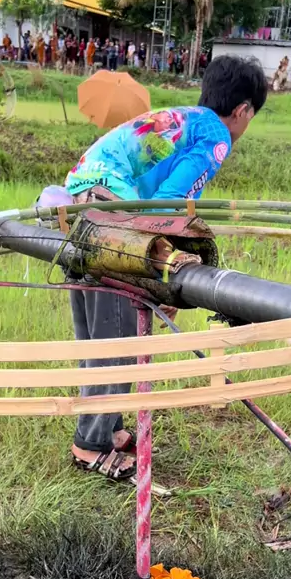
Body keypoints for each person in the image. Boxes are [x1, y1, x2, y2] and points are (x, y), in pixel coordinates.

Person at [64, 55, 267, 480]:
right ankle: (90, 445)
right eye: (253, 115)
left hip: (83, 192)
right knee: (118, 332)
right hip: (112, 206)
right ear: (243, 109)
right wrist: (165, 267)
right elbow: (168, 203)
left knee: (97, 330)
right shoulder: (215, 136)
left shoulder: (187, 117)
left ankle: (108, 427)